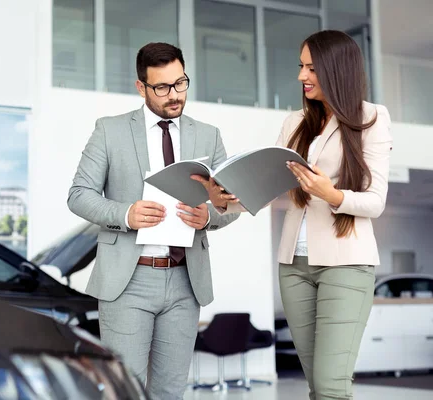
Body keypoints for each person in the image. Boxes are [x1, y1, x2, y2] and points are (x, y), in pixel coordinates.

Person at [194, 30, 392, 400]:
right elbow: (269, 190)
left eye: (312, 68)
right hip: (294, 265)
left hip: (346, 264)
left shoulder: (372, 118)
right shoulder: (293, 123)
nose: (302, 76)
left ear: (336, 70)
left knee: (332, 386)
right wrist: (222, 198)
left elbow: (375, 201)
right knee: (317, 385)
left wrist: (329, 194)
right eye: (301, 66)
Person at [67, 42, 239, 399]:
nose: (174, 95)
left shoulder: (209, 135)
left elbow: (230, 204)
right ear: (141, 87)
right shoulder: (109, 130)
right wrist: (125, 214)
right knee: (123, 391)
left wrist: (210, 215)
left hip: (185, 282)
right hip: (128, 281)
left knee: (170, 392)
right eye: (162, 87)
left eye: (181, 83)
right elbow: (79, 195)